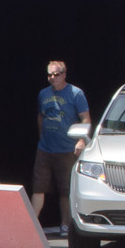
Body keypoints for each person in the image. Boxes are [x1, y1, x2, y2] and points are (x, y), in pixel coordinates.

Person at [32, 61, 90, 237]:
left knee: (65, 189)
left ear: (64, 74)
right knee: (38, 187)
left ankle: (65, 224)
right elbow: (41, 117)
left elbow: (85, 119)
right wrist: (42, 137)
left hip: (66, 149)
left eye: (55, 75)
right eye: (49, 75)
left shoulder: (76, 93)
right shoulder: (44, 94)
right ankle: (33, 224)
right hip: (45, 148)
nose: (52, 78)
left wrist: (81, 140)